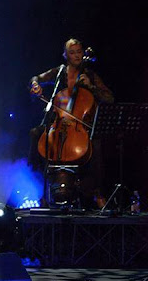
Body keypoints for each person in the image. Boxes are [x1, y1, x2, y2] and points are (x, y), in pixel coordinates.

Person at [29, 38, 113, 208]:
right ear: (65, 55)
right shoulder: (60, 72)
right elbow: (36, 78)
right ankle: (40, 185)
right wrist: (35, 84)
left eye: (79, 52)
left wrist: (91, 87)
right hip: (59, 123)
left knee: (96, 144)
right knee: (35, 134)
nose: (76, 55)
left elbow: (109, 98)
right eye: (72, 52)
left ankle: (96, 193)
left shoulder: (90, 75)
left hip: (81, 126)